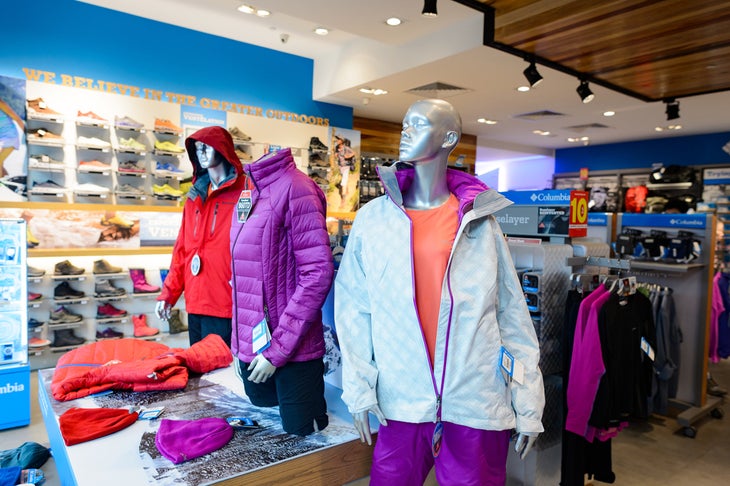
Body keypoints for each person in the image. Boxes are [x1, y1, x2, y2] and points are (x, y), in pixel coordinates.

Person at [334, 99, 544, 485]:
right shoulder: (373, 220)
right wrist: (359, 388)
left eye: (419, 125)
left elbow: (511, 315)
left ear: (449, 138)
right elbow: (353, 310)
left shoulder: (480, 223)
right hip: (401, 398)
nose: (406, 131)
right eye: (405, 124)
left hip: (474, 401)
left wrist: (529, 402)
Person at [229, 147, 334, 436]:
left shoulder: (297, 188)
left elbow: (317, 274)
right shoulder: (251, 192)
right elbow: (241, 276)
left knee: (304, 437)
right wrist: (239, 345)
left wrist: (277, 349)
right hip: (255, 345)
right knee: (266, 427)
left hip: (293, 349)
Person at [156, 126, 244, 347]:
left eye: (206, 147)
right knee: (198, 364)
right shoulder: (194, 197)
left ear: (222, 149)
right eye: (197, 149)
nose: (201, 153)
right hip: (196, 301)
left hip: (226, 301)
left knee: (222, 367)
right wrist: (168, 294)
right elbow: (182, 251)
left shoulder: (245, 192)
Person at [334, 135, 356, 202]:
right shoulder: (337, 147)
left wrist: (348, 156)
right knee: (344, 181)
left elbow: (353, 153)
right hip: (341, 167)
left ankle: (343, 199)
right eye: (337, 139)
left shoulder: (346, 148)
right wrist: (336, 155)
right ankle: (347, 191)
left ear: (342, 141)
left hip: (346, 166)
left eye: (339, 139)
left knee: (343, 182)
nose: (337, 140)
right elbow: (337, 155)